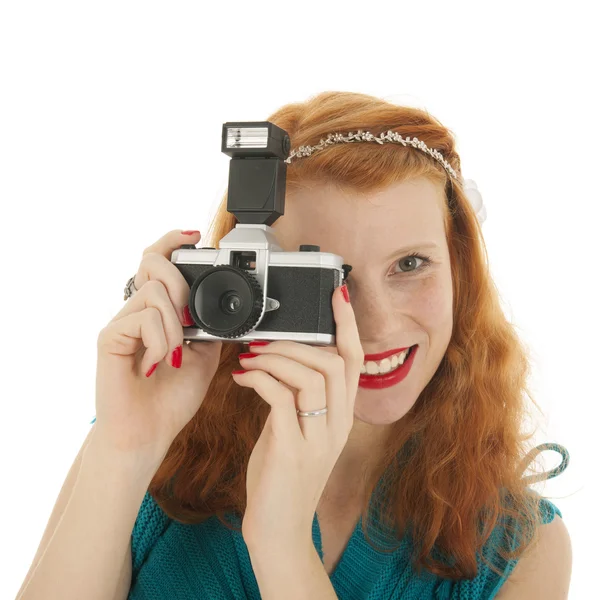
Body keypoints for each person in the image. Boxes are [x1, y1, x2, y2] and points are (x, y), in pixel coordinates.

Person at [16, 91, 571, 600]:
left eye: (410, 264)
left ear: (460, 274)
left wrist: (280, 542)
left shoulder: (522, 549)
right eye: (332, 276)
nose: (374, 325)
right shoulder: (143, 450)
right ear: (249, 284)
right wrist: (126, 448)